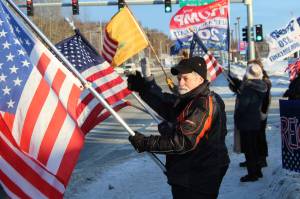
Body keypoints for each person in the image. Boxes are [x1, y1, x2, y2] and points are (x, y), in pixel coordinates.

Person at [127, 56, 230, 199]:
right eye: (179, 78)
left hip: (198, 177)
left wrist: (145, 143)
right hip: (189, 173)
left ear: (200, 79)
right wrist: (144, 88)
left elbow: (182, 142)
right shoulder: (190, 99)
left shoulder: (202, 105)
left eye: (185, 78)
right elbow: (165, 104)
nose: (180, 83)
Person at [229, 59, 271, 168]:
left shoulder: (264, 80)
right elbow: (242, 89)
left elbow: (265, 99)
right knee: (250, 140)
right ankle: (253, 160)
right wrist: (235, 84)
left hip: (257, 113)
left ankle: (260, 159)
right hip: (252, 114)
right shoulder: (250, 79)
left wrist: (263, 113)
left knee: (258, 137)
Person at [234, 63, 267, 182]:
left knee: (249, 149)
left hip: (246, 121)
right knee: (255, 147)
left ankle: (252, 174)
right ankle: (257, 171)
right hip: (255, 120)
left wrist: (237, 118)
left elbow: (242, 106)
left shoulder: (248, 88)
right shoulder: (261, 86)